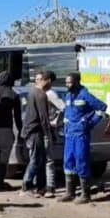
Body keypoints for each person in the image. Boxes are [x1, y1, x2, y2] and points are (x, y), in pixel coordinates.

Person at [59, 72, 107, 204]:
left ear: (77, 82)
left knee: (81, 161)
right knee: (68, 161)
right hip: (69, 134)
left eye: (69, 82)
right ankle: (70, 192)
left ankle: (86, 195)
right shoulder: (68, 95)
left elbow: (102, 108)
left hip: (81, 135)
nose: (67, 85)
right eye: (66, 82)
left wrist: (88, 123)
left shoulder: (85, 94)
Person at [20, 73, 52, 197]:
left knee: (39, 160)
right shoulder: (41, 95)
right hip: (34, 131)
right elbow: (43, 117)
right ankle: (26, 187)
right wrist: (49, 133)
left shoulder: (32, 92)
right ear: (48, 81)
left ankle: (40, 187)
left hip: (30, 131)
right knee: (35, 159)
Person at [0, 71, 22, 190]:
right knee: (4, 158)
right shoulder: (14, 95)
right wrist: (20, 131)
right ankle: (0, 182)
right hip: (6, 129)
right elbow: (17, 117)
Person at [35, 70, 64, 198]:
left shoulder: (50, 94)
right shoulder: (39, 93)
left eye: (41, 79)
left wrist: (55, 122)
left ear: (48, 81)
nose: (39, 82)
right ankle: (40, 186)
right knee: (38, 159)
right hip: (38, 130)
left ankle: (50, 187)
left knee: (48, 160)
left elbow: (63, 108)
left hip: (47, 131)